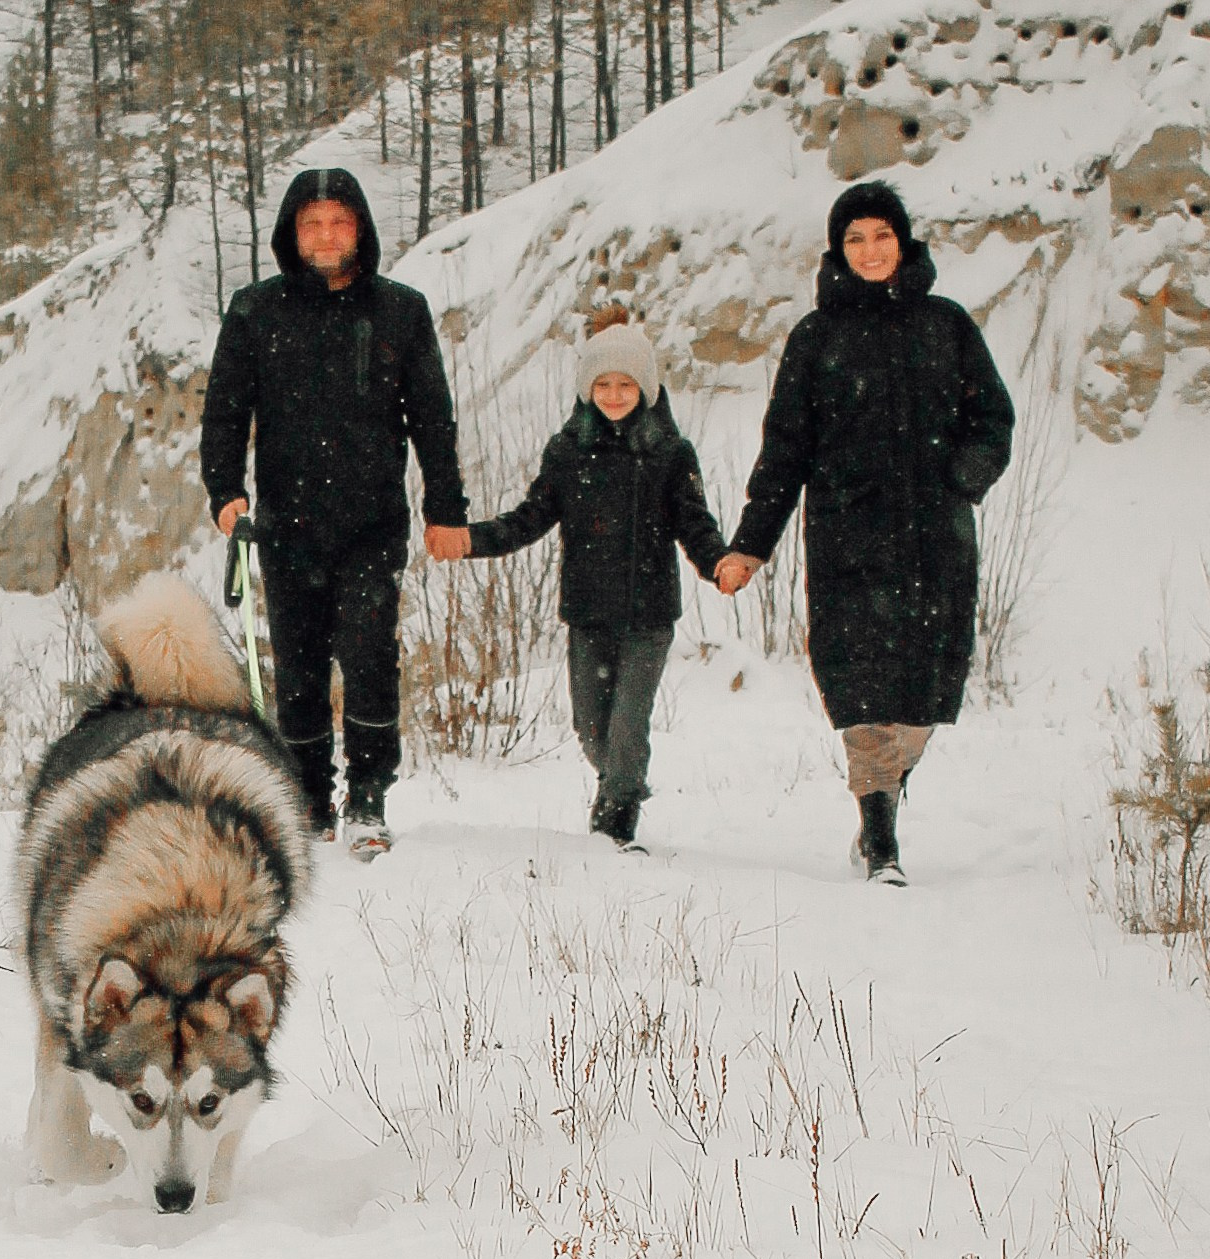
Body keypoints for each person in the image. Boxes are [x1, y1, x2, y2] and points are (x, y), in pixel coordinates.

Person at [715, 180, 1015, 885]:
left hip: (936, 540)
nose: (870, 250)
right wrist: (751, 544)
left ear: (902, 242)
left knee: (923, 697)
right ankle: (880, 839)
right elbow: (784, 451)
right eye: (854, 239)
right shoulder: (815, 338)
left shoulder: (945, 325)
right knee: (863, 692)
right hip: (847, 539)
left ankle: (885, 789)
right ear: (837, 250)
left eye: (881, 235)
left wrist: (961, 479)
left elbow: (992, 420)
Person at [201, 164, 468, 857]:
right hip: (286, 522)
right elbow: (225, 412)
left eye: (339, 222)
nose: (326, 235)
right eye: (312, 223)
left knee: (370, 655)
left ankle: (368, 798)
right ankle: (309, 799)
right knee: (299, 668)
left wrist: (445, 507)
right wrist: (224, 492)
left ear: (360, 229)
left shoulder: (400, 311)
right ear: (292, 233)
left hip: (372, 521)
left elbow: (432, 419)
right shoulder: (255, 311)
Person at [432, 307, 725, 850]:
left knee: (627, 727)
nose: (614, 395)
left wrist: (721, 563)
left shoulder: (669, 453)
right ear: (587, 388)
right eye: (603, 384)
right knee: (591, 728)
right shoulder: (567, 452)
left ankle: (616, 822)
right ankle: (620, 783)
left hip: (648, 617)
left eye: (626, 384)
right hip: (588, 614)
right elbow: (529, 519)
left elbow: (696, 525)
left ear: (646, 389)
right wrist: (470, 540)